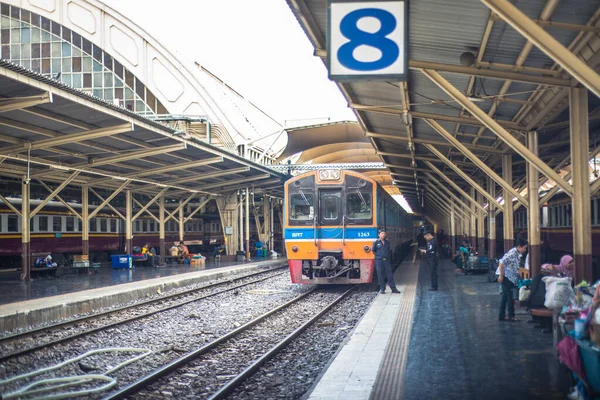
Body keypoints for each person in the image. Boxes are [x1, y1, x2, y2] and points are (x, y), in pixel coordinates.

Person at [497, 236, 528, 321]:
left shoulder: (518, 254)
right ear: (519, 247)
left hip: (509, 277)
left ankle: (501, 316)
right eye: (524, 248)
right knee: (510, 296)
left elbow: (514, 266)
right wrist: (501, 275)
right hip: (506, 276)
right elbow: (501, 263)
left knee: (504, 296)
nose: (525, 250)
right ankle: (511, 316)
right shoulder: (512, 253)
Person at [372, 229, 400, 294]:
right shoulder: (376, 242)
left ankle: (393, 289)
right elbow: (373, 251)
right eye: (382, 233)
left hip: (386, 260)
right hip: (379, 260)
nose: (383, 234)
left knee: (389, 274)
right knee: (380, 275)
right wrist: (379, 255)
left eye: (384, 233)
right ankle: (382, 289)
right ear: (379, 235)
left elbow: (388, 249)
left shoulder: (387, 242)